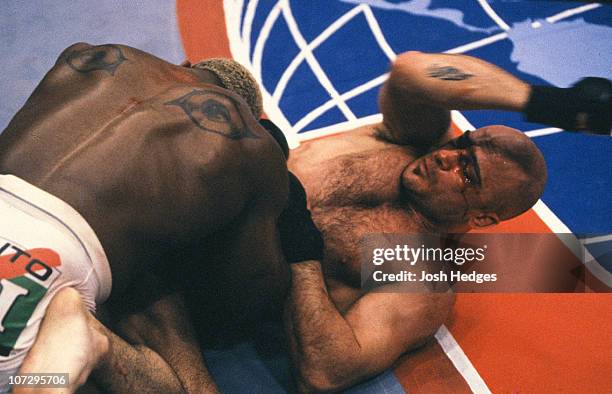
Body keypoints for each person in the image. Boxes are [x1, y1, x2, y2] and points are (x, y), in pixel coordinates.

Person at [0, 42, 322, 393]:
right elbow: (244, 303)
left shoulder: (89, 56)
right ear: (255, 116)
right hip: (44, 263)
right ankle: (98, 347)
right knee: (38, 383)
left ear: (185, 65)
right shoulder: (254, 146)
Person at [283, 51, 610, 391]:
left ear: (482, 218)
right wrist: (553, 103)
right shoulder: (411, 140)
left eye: (467, 172)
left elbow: (327, 371)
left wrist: (300, 252)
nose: (444, 157)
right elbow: (410, 70)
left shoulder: (421, 275)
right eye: (461, 145)